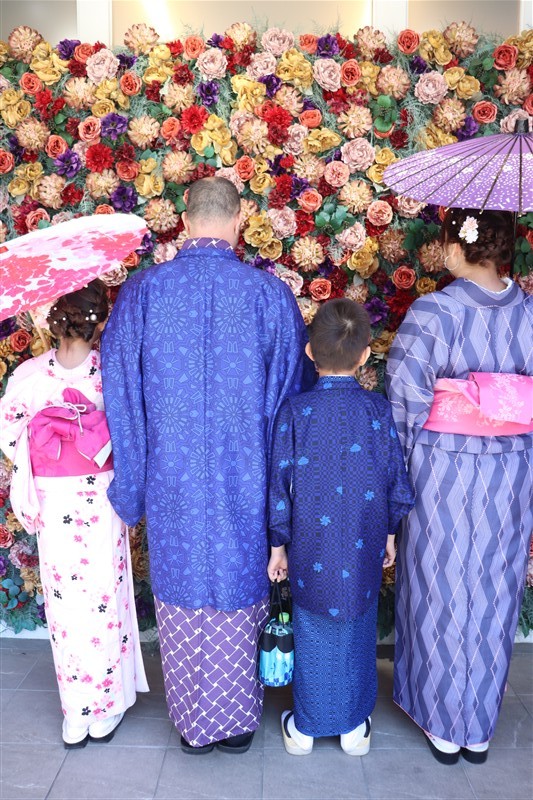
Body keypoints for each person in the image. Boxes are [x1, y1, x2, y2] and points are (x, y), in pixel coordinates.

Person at [101, 177, 308, 754]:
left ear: (186, 222)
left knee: (182, 580)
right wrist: (282, 499)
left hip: (171, 476)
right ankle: (237, 722)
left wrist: (133, 483)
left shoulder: (144, 292)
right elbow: (290, 401)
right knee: (242, 577)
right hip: (248, 475)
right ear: (238, 220)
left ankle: (193, 725)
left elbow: (120, 390)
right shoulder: (269, 296)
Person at [385, 208, 533, 765]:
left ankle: (444, 721)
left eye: (446, 240)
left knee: (439, 580)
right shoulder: (530, 314)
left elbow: (403, 402)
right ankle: (478, 725)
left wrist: (396, 480)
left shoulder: (433, 313)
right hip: (511, 468)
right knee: (495, 586)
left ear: (460, 246)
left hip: (441, 467)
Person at [0, 280, 148, 749]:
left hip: (53, 499)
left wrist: (45, 443)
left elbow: (8, 435)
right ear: (99, 323)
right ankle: (103, 708)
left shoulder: (29, 375)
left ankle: (76, 713)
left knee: (66, 604)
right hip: (99, 497)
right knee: (104, 595)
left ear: (54, 320)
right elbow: (132, 434)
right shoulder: (108, 374)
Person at [267, 298, 414, 756]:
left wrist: (278, 547)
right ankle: (353, 729)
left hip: (310, 544)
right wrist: (389, 535)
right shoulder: (377, 410)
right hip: (362, 540)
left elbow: (279, 486)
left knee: (312, 625)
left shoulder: (295, 411)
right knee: (357, 622)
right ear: (366, 355)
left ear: (310, 352)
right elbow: (395, 480)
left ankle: (305, 729)